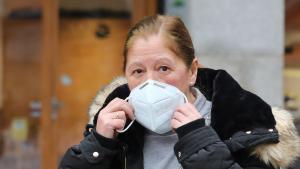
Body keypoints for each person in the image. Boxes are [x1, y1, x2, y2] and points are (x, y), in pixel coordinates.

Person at [59, 15, 300, 169]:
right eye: (138, 71)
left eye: (164, 68)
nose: (149, 82)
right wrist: (99, 144)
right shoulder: (117, 130)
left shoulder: (242, 123)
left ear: (192, 71)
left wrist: (199, 141)